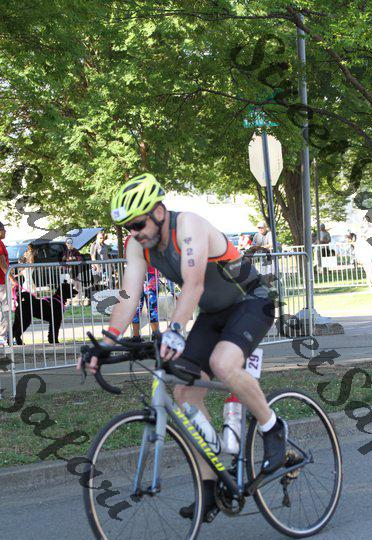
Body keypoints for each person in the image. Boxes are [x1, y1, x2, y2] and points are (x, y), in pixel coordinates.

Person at [78, 172, 286, 521]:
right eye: (129, 227)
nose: (135, 232)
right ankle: (210, 486)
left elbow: (193, 285)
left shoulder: (188, 226)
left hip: (252, 301)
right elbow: (128, 296)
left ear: (159, 212)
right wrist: (106, 342)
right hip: (214, 312)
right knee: (185, 393)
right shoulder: (138, 245)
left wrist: (175, 329)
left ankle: (272, 427)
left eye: (139, 223)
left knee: (223, 364)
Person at [0, 222, 18, 345]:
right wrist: (12, 279)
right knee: (5, 309)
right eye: (3, 229)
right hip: (1, 281)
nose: (5, 231)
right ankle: (3, 336)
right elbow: (2, 264)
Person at [62, 238, 85, 304]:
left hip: (77, 270)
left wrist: (73, 258)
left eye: (70, 243)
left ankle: (79, 301)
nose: (69, 244)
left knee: (78, 286)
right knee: (70, 286)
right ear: (65, 244)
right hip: (68, 271)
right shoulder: (64, 251)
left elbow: (80, 259)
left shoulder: (75, 250)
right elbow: (62, 260)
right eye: (68, 243)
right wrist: (66, 259)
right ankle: (69, 301)